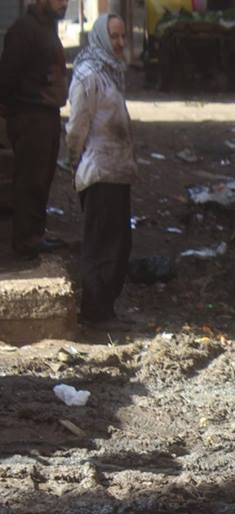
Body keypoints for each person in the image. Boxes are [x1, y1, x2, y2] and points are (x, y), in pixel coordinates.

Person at [65, 14, 138, 331]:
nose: (120, 43)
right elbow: (77, 126)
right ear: (100, 37)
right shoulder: (88, 74)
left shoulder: (112, 70)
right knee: (101, 245)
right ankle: (95, 313)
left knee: (120, 244)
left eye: (123, 37)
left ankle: (105, 308)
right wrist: (74, 158)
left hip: (118, 170)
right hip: (98, 171)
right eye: (114, 37)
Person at [0, 0, 69, 260]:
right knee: (30, 179)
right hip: (31, 115)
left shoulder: (46, 28)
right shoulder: (24, 30)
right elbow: (7, 76)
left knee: (41, 178)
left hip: (45, 114)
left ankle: (35, 233)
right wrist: (15, 110)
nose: (64, 4)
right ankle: (26, 240)